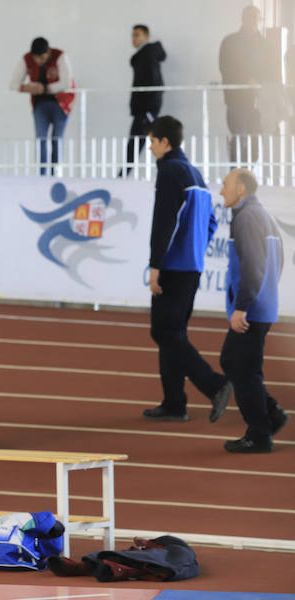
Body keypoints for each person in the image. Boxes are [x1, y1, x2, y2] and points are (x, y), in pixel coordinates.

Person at [142, 117, 231, 423]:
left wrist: (156, 265)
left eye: (152, 141)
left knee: (163, 331)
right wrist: (195, 249)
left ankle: (215, 385)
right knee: (173, 332)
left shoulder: (169, 171)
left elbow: (164, 220)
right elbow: (211, 222)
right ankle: (174, 402)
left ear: (166, 142)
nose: (150, 147)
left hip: (173, 265)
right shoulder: (194, 173)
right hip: (191, 265)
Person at [216, 169, 287, 453]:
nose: (221, 191)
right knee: (237, 364)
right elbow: (276, 261)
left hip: (253, 309)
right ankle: (271, 415)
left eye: (225, 185)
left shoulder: (245, 218)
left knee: (240, 368)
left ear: (241, 189)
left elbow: (253, 267)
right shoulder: (263, 215)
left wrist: (242, 306)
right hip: (263, 304)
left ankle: (259, 433)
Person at [9, 37, 74, 175]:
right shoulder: (27, 59)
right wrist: (27, 88)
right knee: (41, 139)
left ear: (48, 52)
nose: (39, 61)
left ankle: (56, 172)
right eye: (36, 58)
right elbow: (13, 84)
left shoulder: (60, 56)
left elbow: (66, 83)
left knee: (57, 138)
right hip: (40, 105)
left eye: (42, 57)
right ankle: (42, 173)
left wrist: (45, 88)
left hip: (61, 104)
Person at [219, 5, 273, 164]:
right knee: (238, 136)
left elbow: (271, 69)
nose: (253, 21)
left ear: (260, 20)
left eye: (256, 18)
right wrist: (247, 79)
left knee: (256, 139)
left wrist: (260, 82)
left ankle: (249, 174)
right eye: (250, 17)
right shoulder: (230, 41)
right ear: (243, 19)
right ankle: (236, 173)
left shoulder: (265, 44)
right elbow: (225, 66)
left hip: (260, 100)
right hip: (236, 99)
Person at [122, 24, 165, 176]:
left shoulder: (147, 54)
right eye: (133, 35)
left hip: (146, 109)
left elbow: (153, 81)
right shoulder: (145, 55)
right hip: (145, 108)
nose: (134, 38)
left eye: (137, 35)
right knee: (144, 142)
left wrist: (149, 108)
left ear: (146, 37)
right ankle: (123, 174)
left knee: (144, 143)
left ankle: (123, 176)